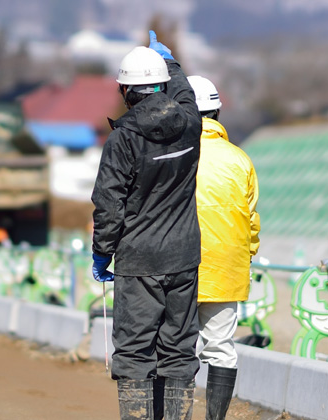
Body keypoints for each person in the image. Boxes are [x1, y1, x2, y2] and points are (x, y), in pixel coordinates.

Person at [90, 31, 203, 420]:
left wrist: (102, 252)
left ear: (124, 90)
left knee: (136, 353)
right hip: (185, 254)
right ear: (161, 86)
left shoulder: (122, 140)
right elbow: (185, 92)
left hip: (139, 261)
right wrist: (170, 63)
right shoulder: (191, 123)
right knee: (179, 350)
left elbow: (108, 203)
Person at [188, 75, 260, 420]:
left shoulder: (174, 155)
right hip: (226, 269)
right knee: (220, 348)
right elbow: (251, 221)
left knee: (177, 347)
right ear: (217, 111)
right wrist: (244, 255)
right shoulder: (240, 159)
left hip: (178, 266)